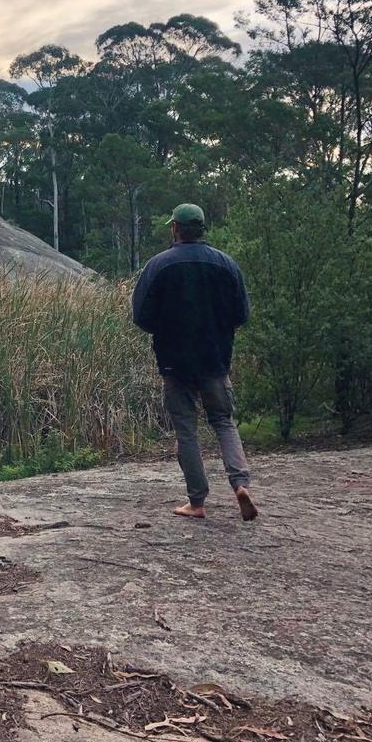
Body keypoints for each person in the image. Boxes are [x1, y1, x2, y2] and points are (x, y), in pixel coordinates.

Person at [132, 204, 258, 522]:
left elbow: (141, 316)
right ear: (202, 228)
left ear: (175, 228)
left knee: (186, 430)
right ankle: (240, 484)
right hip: (215, 358)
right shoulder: (226, 265)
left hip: (174, 362)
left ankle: (197, 501)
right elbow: (241, 314)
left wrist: (167, 330)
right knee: (223, 422)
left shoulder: (158, 265)